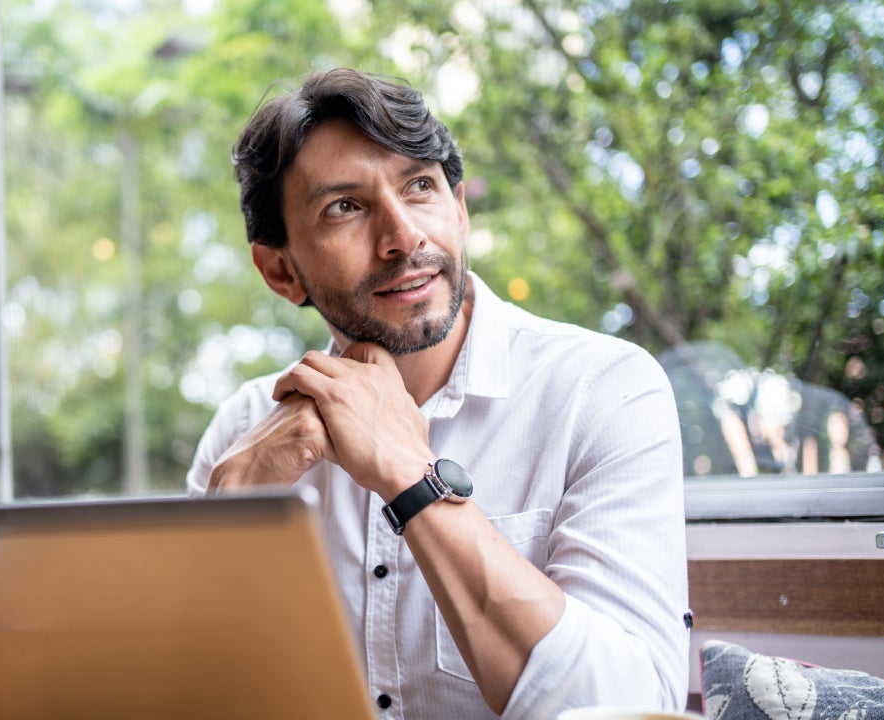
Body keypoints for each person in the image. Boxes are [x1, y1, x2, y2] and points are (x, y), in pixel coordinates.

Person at [185, 68, 689, 719]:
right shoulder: (245, 430)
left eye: (419, 186)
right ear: (281, 271)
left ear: (460, 210)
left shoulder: (605, 391)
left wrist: (411, 475)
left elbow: (628, 704)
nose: (404, 237)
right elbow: (183, 693)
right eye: (344, 207)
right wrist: (230, 508)